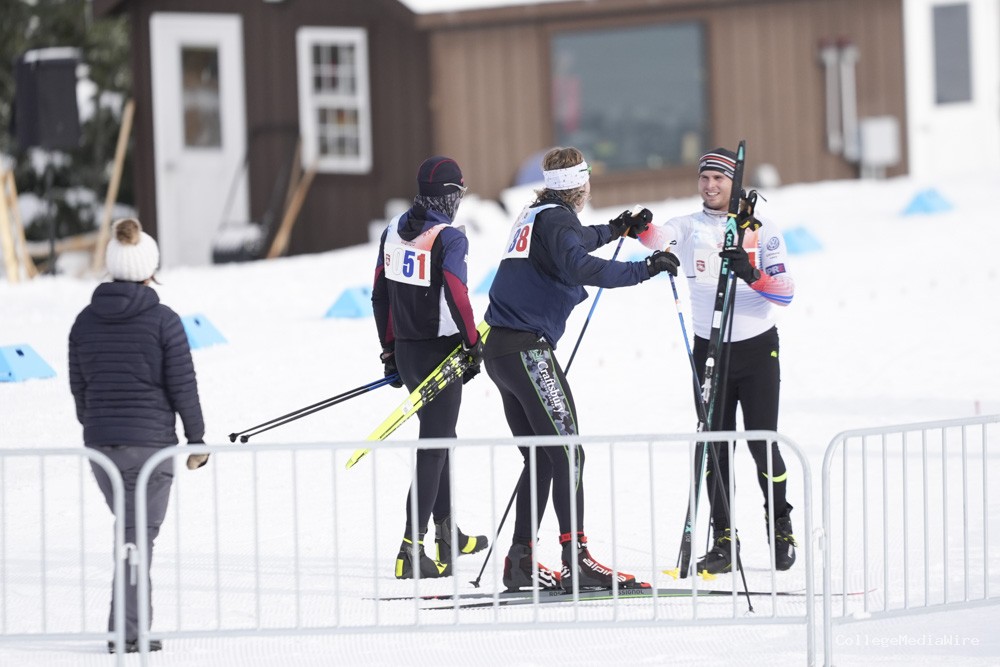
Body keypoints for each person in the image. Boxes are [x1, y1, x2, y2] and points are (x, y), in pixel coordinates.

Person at [483, 146, 680, 592]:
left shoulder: (537, 214)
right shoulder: (557, 220)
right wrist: (646, 267)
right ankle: (578, 559)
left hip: (502, 350)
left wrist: (615, 229)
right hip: (527, 351)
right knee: (568, 452)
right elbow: (578, 264)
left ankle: (520, 561)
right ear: (582, 185)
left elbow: (575, 241)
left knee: (543, 456)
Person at [639, 147, 797, 575]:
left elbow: (785, 292)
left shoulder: (759, 228)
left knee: (762, 445)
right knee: (715, 447)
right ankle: (725, 539)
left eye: (719, 179)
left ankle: (780, 524)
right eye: (704, 178)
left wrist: (751, 274)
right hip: (708, 352)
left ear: (734, 183)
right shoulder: (689, 226)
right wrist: (640, 227)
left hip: (757, 350)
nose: (710, 186)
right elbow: (657, 237)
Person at [69, 218, 208, 654]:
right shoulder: (163, 320)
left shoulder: (84, 322)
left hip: (102, 447)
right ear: (150, 267)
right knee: (136, 537)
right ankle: (127, 633)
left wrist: (97, 427)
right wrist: (197, 440)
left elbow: (79, 388)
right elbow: (183, 386)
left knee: (132, 535)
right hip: (150, 448)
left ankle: (129, 628)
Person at [372, 156, 488, 580]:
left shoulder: (393, 229)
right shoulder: (449, 238)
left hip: (408, 352)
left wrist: (389, 350)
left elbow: (380, 294)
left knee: (441, 437)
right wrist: (473, 344)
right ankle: (410, 549)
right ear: (451, 196)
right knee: (434, 445)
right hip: (441, 354)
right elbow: (457, 294)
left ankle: (446, 533)